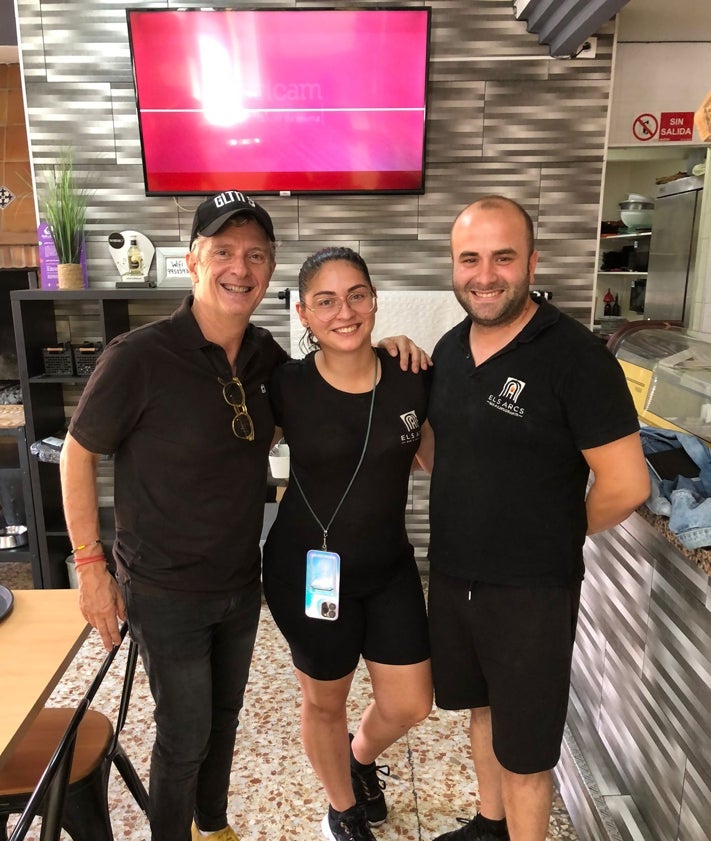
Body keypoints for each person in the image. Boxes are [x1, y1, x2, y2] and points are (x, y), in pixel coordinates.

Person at [59, 191, 426, 841]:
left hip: (239, 578)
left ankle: (215, 824)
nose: (240, 266)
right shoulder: (138, 356)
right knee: (184, 734)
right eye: (224, 250)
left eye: (255, 253)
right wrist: (90, 566)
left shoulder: (266, 360)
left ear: (270, 269)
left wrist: (390, 354)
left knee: (224, 717)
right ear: (194, 260)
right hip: (163, 583)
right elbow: (77, 454)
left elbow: (332, 387)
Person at [417, 196, 650, 841]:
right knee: (483, 710)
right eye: (470, 258)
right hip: (458, 574)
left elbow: (627, 484)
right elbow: (446, 450)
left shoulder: (575, 357)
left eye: (503, 257)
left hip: (532, 591)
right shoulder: (452, 346)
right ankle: (490, 827)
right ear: (454, 266)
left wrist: (549, 528)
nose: (485, 274)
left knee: (528, 753)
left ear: (531, 263)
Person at [261, 247, 433, 841]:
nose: (345, 311)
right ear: (305, 314)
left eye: (357, 294)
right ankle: (343, 807)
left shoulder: (413, 375)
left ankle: (359, 759)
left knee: (411, 703)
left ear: (374, 299)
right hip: (307, 571)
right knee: (324, 702)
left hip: (389, 568)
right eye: (326, 300)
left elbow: (442, 464)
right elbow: (225, 457)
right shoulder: (285, 386)